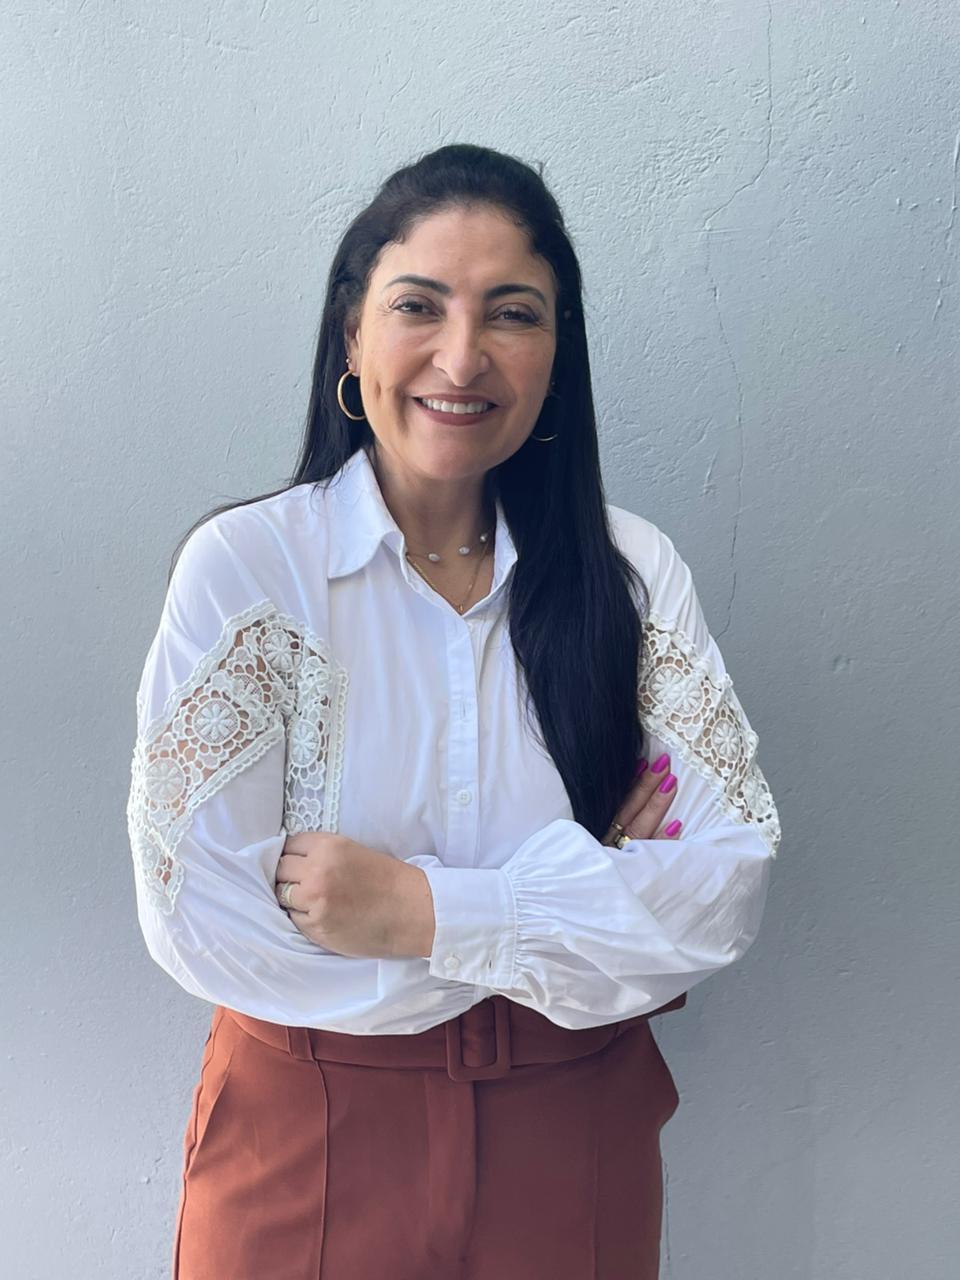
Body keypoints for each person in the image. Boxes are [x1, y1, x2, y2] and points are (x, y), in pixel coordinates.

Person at [126, 142, 781, 1280]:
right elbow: (201, 917)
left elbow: (722, 888)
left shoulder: (631, 575)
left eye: (513, 313)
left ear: (558, 351)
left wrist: (416, 909)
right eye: (418, 305)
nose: (463, 354)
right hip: (306, 1133)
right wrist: (585, 897)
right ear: (352, 334)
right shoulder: (250, 573)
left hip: (569, 1133)